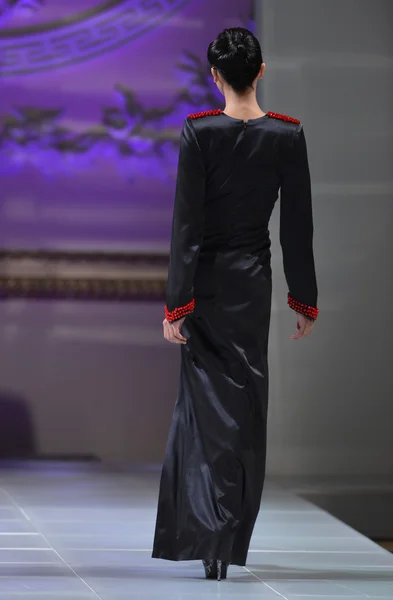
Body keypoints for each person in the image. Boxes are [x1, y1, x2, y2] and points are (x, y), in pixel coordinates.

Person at [152, 27, 318, 580]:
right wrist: (304, 298)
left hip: (206, 286)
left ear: (215, 76)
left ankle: (209, 536)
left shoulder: (199, 132)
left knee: (203, 412)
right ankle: (227, 535)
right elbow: (296, 227)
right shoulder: (287, 136)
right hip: (251, 283)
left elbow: (186, 227)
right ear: (262, 70)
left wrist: (177, 303)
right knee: (244, 408)